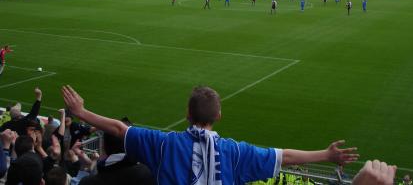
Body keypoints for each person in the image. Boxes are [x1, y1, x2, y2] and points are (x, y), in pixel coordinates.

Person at [61, 85, 359, 185]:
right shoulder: (235, 152)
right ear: (218, 117)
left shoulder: (164, 145)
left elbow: (119, 129)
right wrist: (326, 154)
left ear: (188, 114)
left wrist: (82, 112)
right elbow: (285, 156)